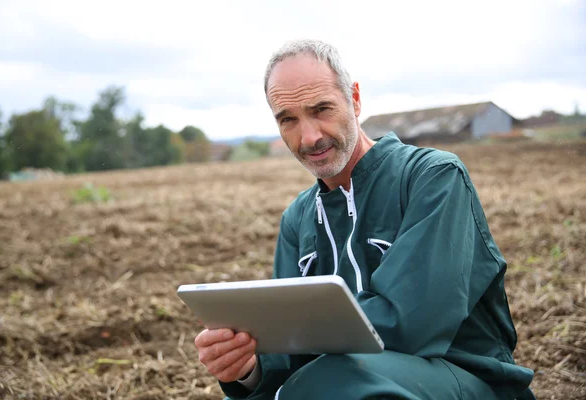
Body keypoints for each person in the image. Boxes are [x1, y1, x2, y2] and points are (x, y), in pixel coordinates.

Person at [194, 39, 536, 400]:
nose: (309, 136)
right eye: (288, 119)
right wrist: (247, 365)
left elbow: (412, 324)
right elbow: (285, 357)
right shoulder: (298, 219)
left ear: (354, 100)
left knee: (329, 381)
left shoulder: (432, 178)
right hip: (336, 384)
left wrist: (301, 335)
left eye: (322, 109)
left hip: (461, 379)